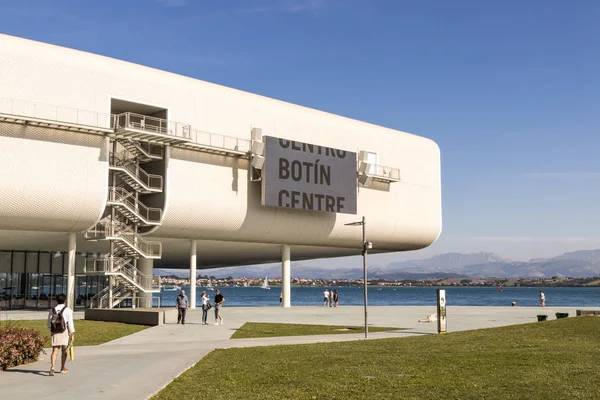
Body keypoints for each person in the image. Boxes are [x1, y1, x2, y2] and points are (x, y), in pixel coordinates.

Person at [47, 293, 75, 376]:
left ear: (57, 300)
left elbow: (49, 324)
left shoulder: (52, 310)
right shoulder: (68, 310)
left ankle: (52, 367)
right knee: (64, 350)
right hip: (64, 331)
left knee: (55, 351)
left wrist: (52, 329)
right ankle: (62, 367)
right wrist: (72, 334)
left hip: (55, 331)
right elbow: (70, 323)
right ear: (65, 300)